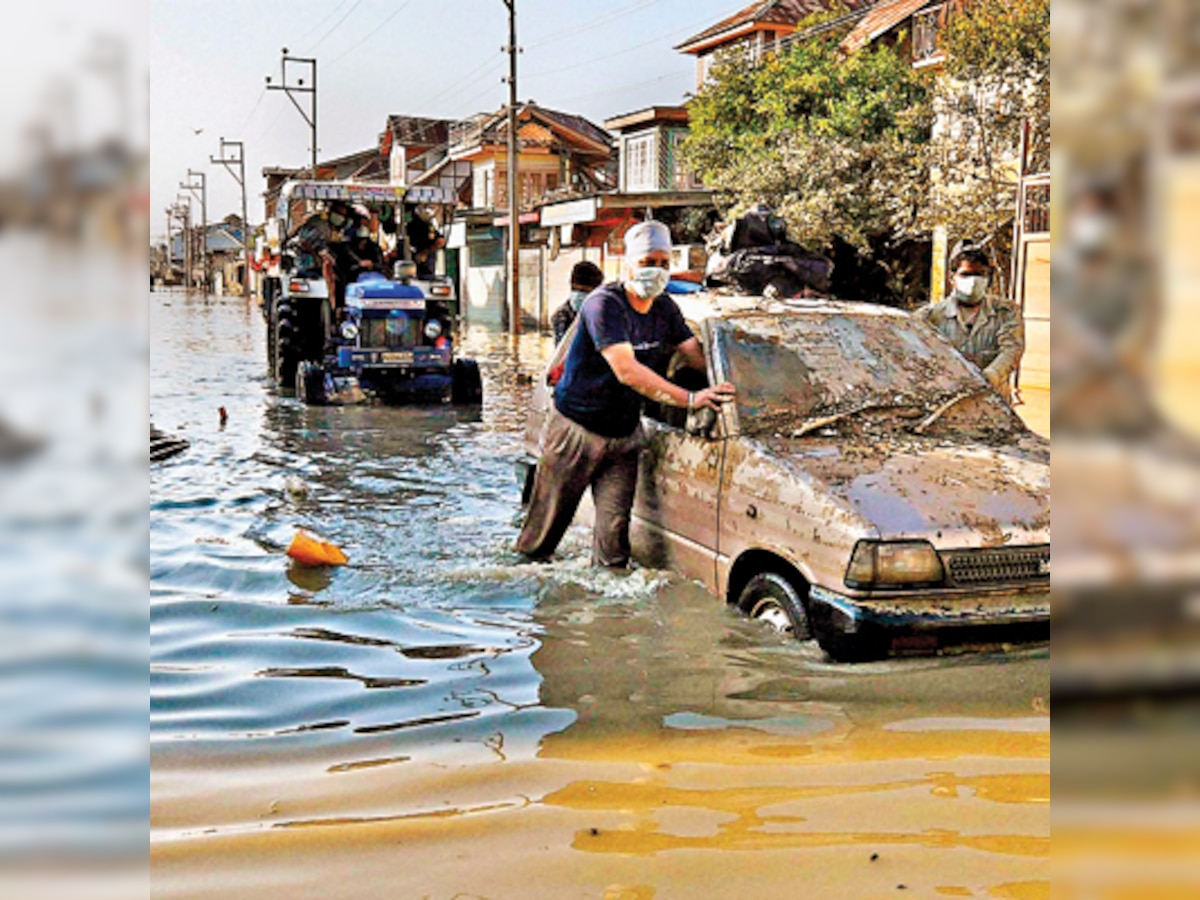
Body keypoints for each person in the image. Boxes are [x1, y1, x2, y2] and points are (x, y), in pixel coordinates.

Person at [515, 220, 736, 568]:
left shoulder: (665, 309)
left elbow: (695, 355)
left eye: (664, 263)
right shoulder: (604, 305)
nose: (657, 271)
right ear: (628, 263)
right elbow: (627, 371)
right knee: (541, 539)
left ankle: (611, 610)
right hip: (576, 430)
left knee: (615, 545)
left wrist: (731, 388)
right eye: (649, 262)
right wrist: (690, 399)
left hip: (624, 436)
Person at [917, 246, 1025, 403]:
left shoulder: (1006, 312)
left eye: (980, 274)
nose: (973, 281)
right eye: (966, 274)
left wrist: (991, 376)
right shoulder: (929, 316)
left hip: (993, 401)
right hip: (945, 402)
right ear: (952, 278)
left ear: (988, 278)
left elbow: (1012, 350)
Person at [551, 261, 604, 344]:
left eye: (584, 291)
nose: (579, 296)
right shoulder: (561, 316)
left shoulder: (602, 313)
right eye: (575, 290)